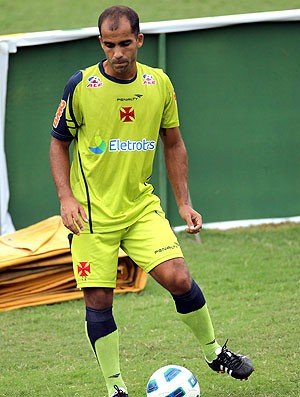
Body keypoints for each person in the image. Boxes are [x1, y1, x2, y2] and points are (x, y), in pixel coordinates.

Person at [49, 5, 254, 397]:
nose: (118, 53)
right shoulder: (80, 86)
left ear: (139, 40)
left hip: (140, 207)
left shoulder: (159, 84)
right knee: (98, 298)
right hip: (91, 217)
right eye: (109, 45)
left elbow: (173, 143)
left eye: (125, 43)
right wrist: (65, 197)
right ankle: (115, 388)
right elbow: (59, 144)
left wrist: (183, 203)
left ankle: (214, 354)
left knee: (179, 277)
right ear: (101, 44)